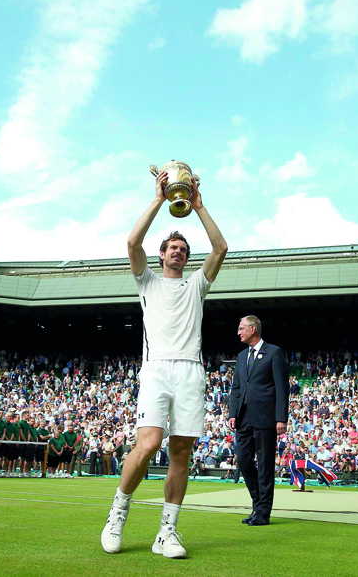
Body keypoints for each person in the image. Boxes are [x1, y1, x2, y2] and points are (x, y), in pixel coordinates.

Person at [102, 169, 227, 559]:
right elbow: (131, 240)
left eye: (183, 250)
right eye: (173, 248)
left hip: (190, 368)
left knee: (182, 451)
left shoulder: (196, 285)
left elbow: (221, 248)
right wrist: (158, 199)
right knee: (149, 443)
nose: (179, 252)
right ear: (161, 254)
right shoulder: (148, 281)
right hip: (156, 368)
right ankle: (117, 515)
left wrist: (200, 207)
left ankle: (167, 532)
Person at [229, 315, 288, 526]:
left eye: (241, 328)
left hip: (265, 418)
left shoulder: (274, 352)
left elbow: (282, 387)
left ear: (253, 329)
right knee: (244, 462)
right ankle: (257, 504)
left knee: (264, 466)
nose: (239, 332)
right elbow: (236, 388)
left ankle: (263, 512)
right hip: (243, 418)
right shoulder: (241, 356)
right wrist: (232, 413)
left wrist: (281, 418)